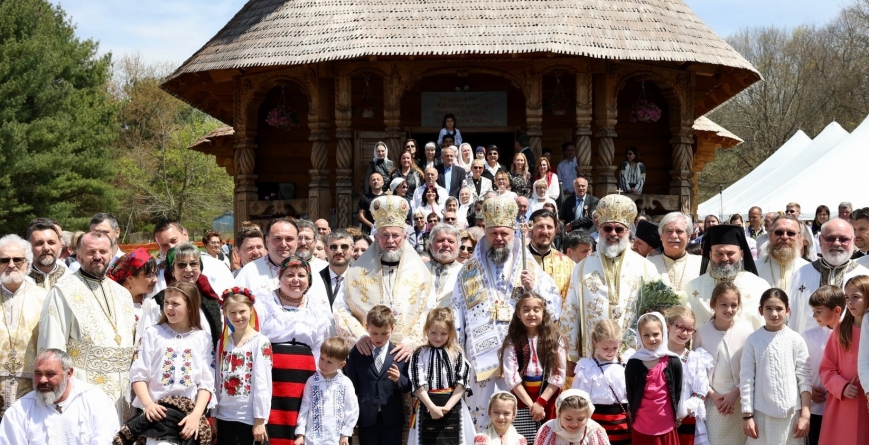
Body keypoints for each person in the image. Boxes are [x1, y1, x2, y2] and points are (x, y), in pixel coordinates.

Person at [451, 194, 562, 429]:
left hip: (520, 359)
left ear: (514, 234)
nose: (499, 238)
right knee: (482, 421)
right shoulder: (468, 271)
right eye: (494, 233)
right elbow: (457, 314)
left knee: (516, 424)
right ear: (486, 233)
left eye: (505, 233)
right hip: (480, 361)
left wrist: (534, 288)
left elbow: (553, 309)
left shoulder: (528, 266)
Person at [37, 231, 135, 421]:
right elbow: (52, 349)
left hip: (124, 392)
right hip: (82, 390)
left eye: (103, 251)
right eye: (91, 252)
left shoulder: (123, 294)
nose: (98, 256)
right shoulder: (62, 291)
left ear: (112, 253)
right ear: (79, 255)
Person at [560, 193, 657, 361]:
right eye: (607, 228)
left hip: (635, 355)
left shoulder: (646, 268)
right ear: (599, 229)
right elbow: (571, 311)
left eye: (619, 229)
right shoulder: (582, 268)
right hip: (593, 357)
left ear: (627, 232)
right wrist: (570, 356)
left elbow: (656, 313)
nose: (613, 233)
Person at [334, 193, 432, 355]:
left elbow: (429, 310)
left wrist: (411, 342)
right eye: (385, 235)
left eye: (396, 235)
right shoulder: (355, 273)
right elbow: (340, 309)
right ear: (376, 237)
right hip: (367, 352)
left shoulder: (421, 273)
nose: (390, 240)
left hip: (407, 354)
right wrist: (360, 336)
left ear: (405, 236)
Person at [127, 281, 215, 444]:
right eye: (167, 302)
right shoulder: (153, 333)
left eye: (175, 304)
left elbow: (206, 382)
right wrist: (149, 405)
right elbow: (138, 374)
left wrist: (196, 415)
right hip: (157, 413)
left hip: (187, 415)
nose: (168, 308)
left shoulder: (202, 338)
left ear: (190, 306)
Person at [0, 349, 119, 445]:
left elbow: (105, 440)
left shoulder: (96, 400)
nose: (42, 380)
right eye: (38, 373)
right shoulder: (18, 412)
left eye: (50, 374)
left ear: (69, 373)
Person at [740, 288, 811, 445]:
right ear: (761, 310)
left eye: (779, 309)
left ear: (787, 310)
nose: (774, 314)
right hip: (761, 416)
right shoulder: (753, 340)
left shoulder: (796, 340)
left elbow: (804, 379)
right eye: (768, 308)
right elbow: (746, 379)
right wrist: (747, 415)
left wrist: (805, 415)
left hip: (792, 416)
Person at [499, 292, 566, 443]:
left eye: (536, 309)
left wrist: (541, 402)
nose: (531, 313)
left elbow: (558, 375)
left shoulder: (555, 340)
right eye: (526, 309)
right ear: (518, 313)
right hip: (523, 397)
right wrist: (532, 405)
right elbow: (512, 377)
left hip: (548, 396)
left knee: (550, 438)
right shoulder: (512, 341)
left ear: (543, 312)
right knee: (525, 438)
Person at [692, 281, 752, 445]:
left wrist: (734, 394)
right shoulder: (701, 333)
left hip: (737, 402)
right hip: (713, 402)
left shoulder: (746, 333)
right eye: (723, 305)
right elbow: (696, 371)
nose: (729, 309)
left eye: (734, 305)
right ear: (713, 304)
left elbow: (751, 369)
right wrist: (713, 395)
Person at [212, 288, 272, 445]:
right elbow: (218, 379)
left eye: (242, 311)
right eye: (232, 312)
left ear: (251, 310)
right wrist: (215, 413)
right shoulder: (223, 343)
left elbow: (262, 382)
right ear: (224, 313)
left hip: (248, 417)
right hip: (225, 415)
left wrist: (260, 419)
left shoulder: (260, 341)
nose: (238, 317)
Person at [787, 218, 869, 333]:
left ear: (853, 241)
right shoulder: (801, 274)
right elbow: (791, 317)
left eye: (844, 239)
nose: (836, 243)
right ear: (820, 240)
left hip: (852, 347)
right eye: (830, 238)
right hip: (807, 348)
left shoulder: (865, 276)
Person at [408, 308, 476, 445]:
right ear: (426, 330)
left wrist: (448, 407)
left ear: (450, 333)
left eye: (443, 333)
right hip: (427, 405)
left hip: (453, 406)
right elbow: (417, 382)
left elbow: (462, 383)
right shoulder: (419, 354)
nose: (438, 337)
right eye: (433, 332)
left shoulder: (456, 353)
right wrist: (432, 407)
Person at [682, 224, 769, 330]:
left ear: (741, 254)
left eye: (730, 253)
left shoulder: (759, 286)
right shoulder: (693, 287)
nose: (725, 258)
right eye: (719, 253)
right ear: (710, 255)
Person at [345, 305, 410, 445]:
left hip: (392, 418)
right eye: (374, 333)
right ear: (367, 327)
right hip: (366, 417)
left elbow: (408, 386)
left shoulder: (400, 354)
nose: (379, 338)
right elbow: (351, 387)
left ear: (392, 329)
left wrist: (399, 379)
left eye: (384, 333)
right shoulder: (357, 353)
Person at [138, 243, 225, 348]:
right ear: (172, 271)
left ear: (200, 268)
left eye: (193, 264)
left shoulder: (211, 302)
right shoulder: (158, 303)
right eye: (181, 265)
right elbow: (143, 344)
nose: (188, 269)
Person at [817, 277, 869, 445]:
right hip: (844, 401)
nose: (851, 302)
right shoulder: (841, 329)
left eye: (856, 297)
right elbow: (826, 368)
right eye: (847, 298)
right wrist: (842, 386)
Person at [0, 235, 47, 416]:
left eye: (17, 260)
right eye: (4, 260)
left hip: (33, 387)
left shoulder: (44, 298)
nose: (11, 264)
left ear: (27, 264)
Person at [625, 312, 682, 445]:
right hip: (642, 423)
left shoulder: (673, 361)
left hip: (666, 423)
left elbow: (678, 390)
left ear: (663, 333)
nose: (652, 339)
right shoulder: (634, 363)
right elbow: (631, 392)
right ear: (640, 336)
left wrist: (678, 413)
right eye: (646, 335)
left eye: (656, 334)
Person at [571, 320, 632, 445]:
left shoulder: (625, 365)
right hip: (595, 422)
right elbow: (577, 396)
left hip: (621, 424)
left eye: (615, 347)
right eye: (605, 348)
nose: (610, 351)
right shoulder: (587, 367)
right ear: (595, 342)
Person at [294, 337, 358, 445]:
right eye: (322, 359)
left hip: (336, 440)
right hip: (312, 440)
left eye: (329, 362)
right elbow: (304, 408)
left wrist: (345, 434)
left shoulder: (345, 383)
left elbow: (352, 410)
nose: (323, 364)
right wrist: (300, 434)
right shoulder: (312, 382)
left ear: (341, 364)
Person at [664, 306, 712, 445]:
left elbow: (700, 392)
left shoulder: (695, 359)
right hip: (660, 418)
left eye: (689, 329)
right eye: (680, 327)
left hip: (686, 419)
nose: (684, 333)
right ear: (668, 326)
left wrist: (681, 413)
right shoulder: (657, 356)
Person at [801, 285, 843, 445]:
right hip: (816, 407)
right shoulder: (808, 336)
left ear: (837, 310)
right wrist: (808, 389)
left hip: (842, 406)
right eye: (813, 311)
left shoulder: (852, 334)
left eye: (819, 311)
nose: (814, 315)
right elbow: (799, 369)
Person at [150, 220, 234, 297]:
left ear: (185, 235)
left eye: (174, 240)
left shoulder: (217, 267)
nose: (171, 247)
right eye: (164, 245)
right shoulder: (154, 276)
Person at [528, 209, 574, 309]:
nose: (545, 231)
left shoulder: (569, 264)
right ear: (530, 229)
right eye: (540, 226)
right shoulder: (519, 259)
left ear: (555, 230)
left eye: (549, 227)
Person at [533, 389, 612, 445]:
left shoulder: (593, 431)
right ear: (559, 413)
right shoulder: (549, 430)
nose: (574, 424)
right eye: (568, 419)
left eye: (580, 419)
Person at [647, 212, 701, 291]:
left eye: (679, 231)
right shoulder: (648, 264)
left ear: (689, 236)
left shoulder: (701, 264)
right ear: (661, 236)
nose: (674, 236)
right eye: (669, 231)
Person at [755, 215, 809, 294]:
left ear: (798, 237)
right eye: (779, 232)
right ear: (770, 235)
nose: (784, 237)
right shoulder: (755, 268)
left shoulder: (807, 269)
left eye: (791, 233)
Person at [106, 247, 157, 325]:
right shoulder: (113, 305)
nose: (155, 280)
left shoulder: (152, 295)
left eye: (155, 274)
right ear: (130, 278)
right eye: (149, 275)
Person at [26, 218, 71, 289]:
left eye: (51, 243)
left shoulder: (69, 277)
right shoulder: (21, 279)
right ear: (29, 246)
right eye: (39, 243)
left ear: (60, 245)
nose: (46, 248)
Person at [426, 224, 463, 309]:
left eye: (451, 241)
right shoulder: (420, 269)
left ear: (458, 246)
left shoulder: (465, 272)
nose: (446, 244)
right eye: (440, 240)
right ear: (431, 246)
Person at [320, 229, 353, 308]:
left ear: (352, 249)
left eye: (344, 247)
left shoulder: (361, 280)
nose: (339, 251)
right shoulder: (316, 279)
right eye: (333, 247)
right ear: (326, 250)